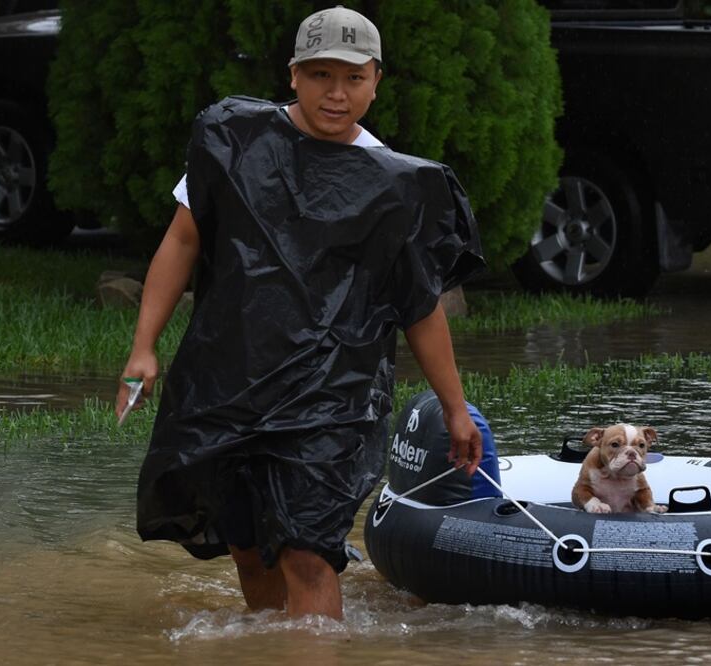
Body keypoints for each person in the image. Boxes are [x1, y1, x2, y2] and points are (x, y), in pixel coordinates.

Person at [116, 5, 485, 620]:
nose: (335, 94)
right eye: (319, 76)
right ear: (293, 75)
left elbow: (419, 307)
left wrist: (453, 407)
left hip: (332, 395)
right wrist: (143, 346)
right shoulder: (235, 142)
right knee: (248, 550)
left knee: (307, 555)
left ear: (376, 81)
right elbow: (182, 241)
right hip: (228, 379)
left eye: (352, 78)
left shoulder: (397, 186)